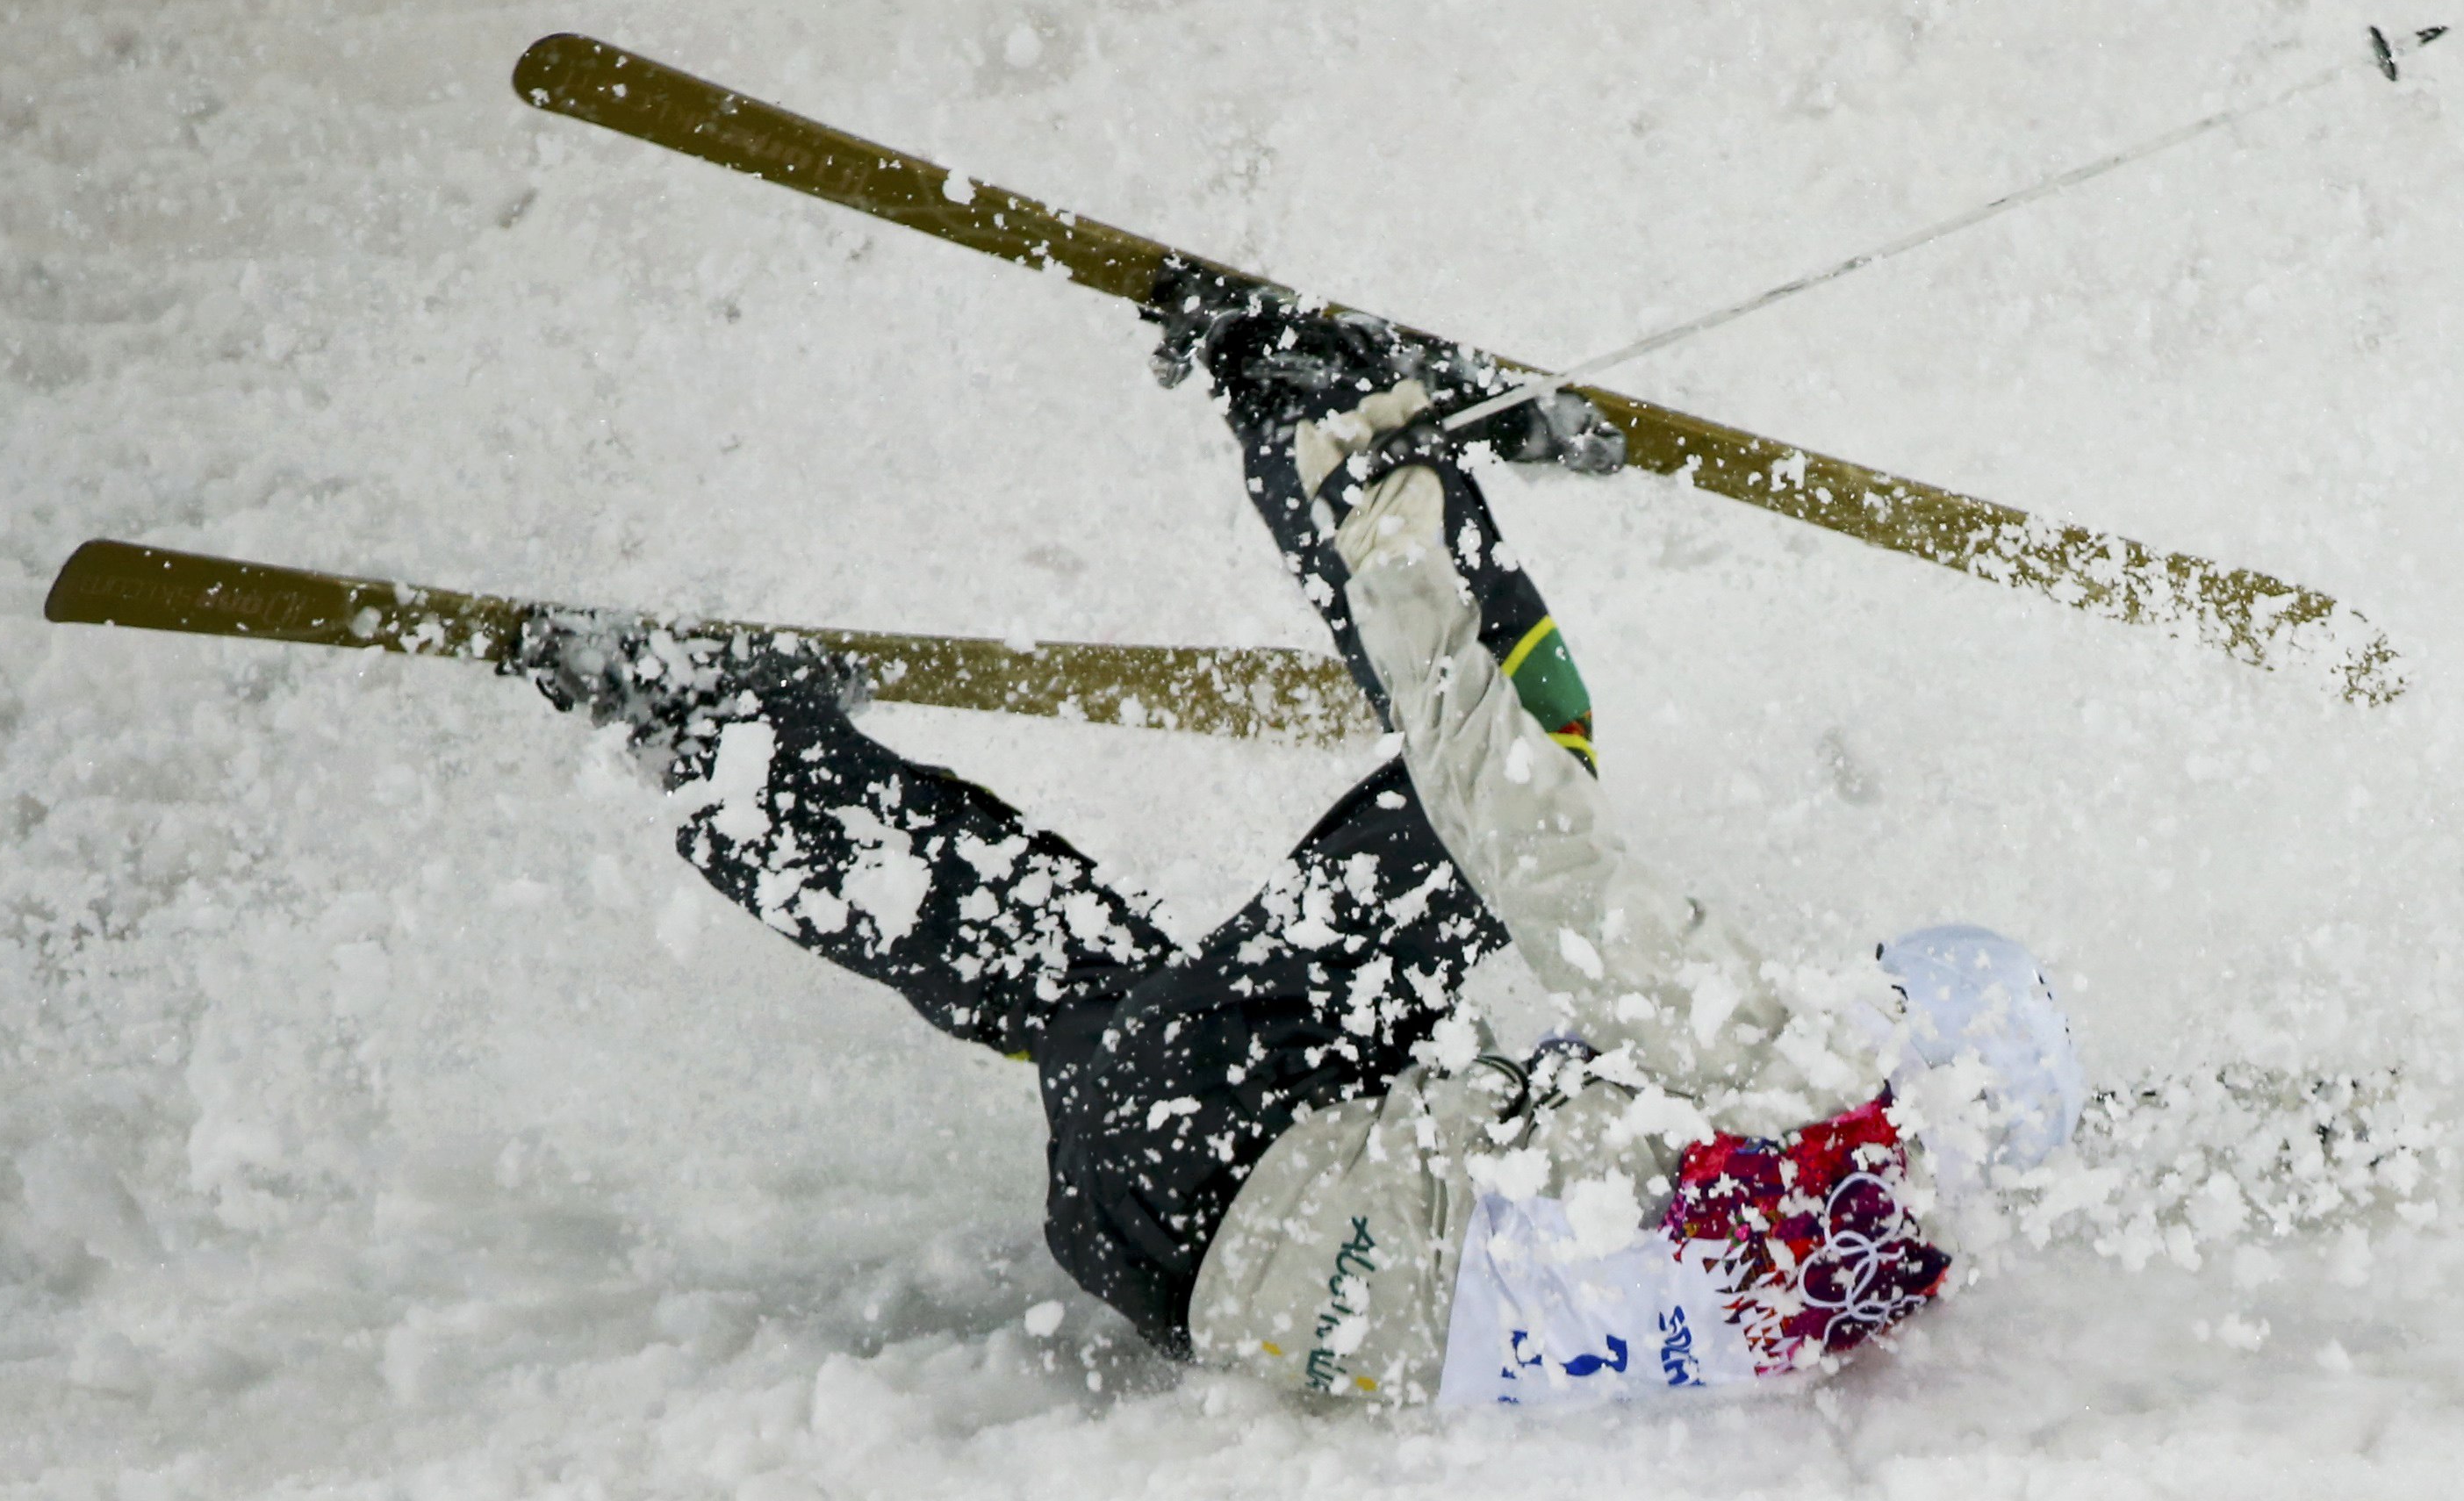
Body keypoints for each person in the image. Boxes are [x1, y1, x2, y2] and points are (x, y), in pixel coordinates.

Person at [511, 291, 2082, 1408]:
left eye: (1876, 996)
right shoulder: (1863, 1279)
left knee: (1530, 757)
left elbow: (1530, 843)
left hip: (1242, 1149)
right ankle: (731, 759)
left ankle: (1336, 430)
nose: (1838, 993)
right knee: (1101, 1014)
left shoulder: (1804, 1081)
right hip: (1167, 1257)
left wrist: (1395, 497)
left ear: (1906, 1053)